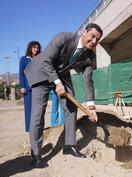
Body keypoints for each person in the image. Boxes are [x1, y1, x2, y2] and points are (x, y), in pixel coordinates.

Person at [25, 23, 103, 168]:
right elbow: (46, 61)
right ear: (83, 32)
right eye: (92, 37)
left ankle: (69, 145)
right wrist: (57, 83)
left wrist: (91, 106)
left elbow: (88, 80)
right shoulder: (63, 38)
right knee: (37, 114)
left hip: (61, 75)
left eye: (97, 40)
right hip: (42, 71)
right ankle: (36, 155)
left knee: (71, 108)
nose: (94, 42)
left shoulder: (89, 55)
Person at [19, 41, 41, 132]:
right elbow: (21, 73)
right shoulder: (24, 59)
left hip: (38, 88)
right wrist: (22, 86)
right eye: (34, 47)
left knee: (37, 110)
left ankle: (37, 127)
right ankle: (29, 128)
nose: (36, 49)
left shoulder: (39, 58)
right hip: (27, 89)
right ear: (30, 48)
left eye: (37, 48)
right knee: (28, 109)